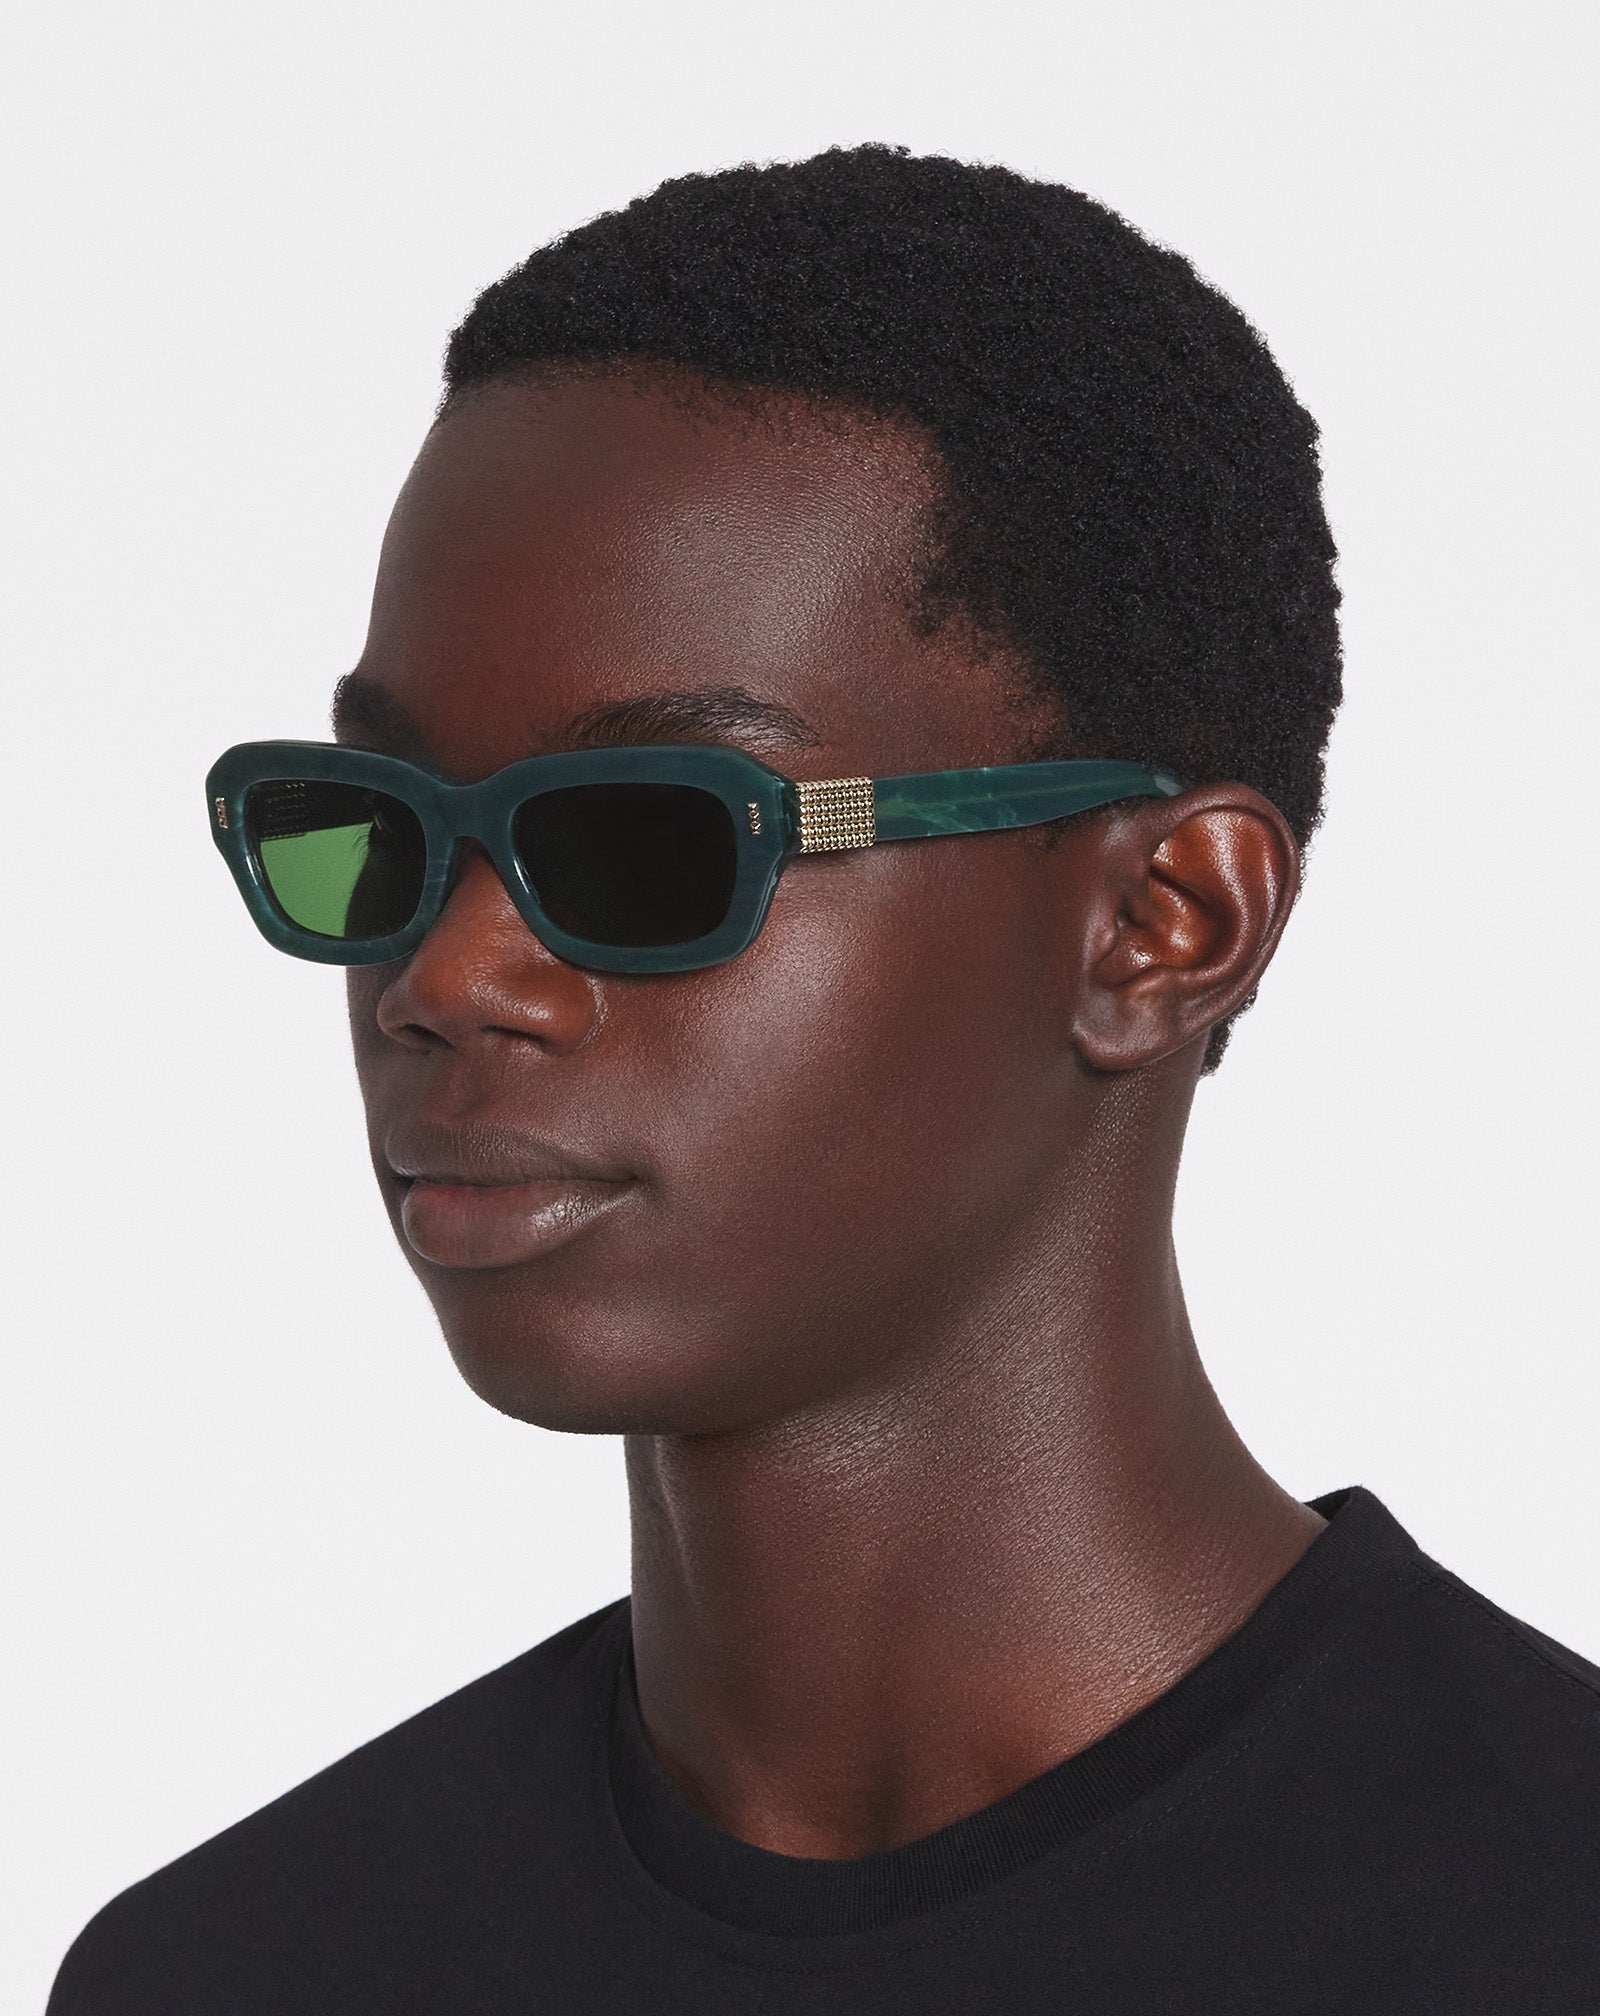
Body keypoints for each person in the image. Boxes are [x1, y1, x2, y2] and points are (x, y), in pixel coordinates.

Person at [49, 143, 1600, 2014]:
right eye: (366, 828)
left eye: (650, 839)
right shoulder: (233, 1973)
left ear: (1163, 922)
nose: (445, 982)